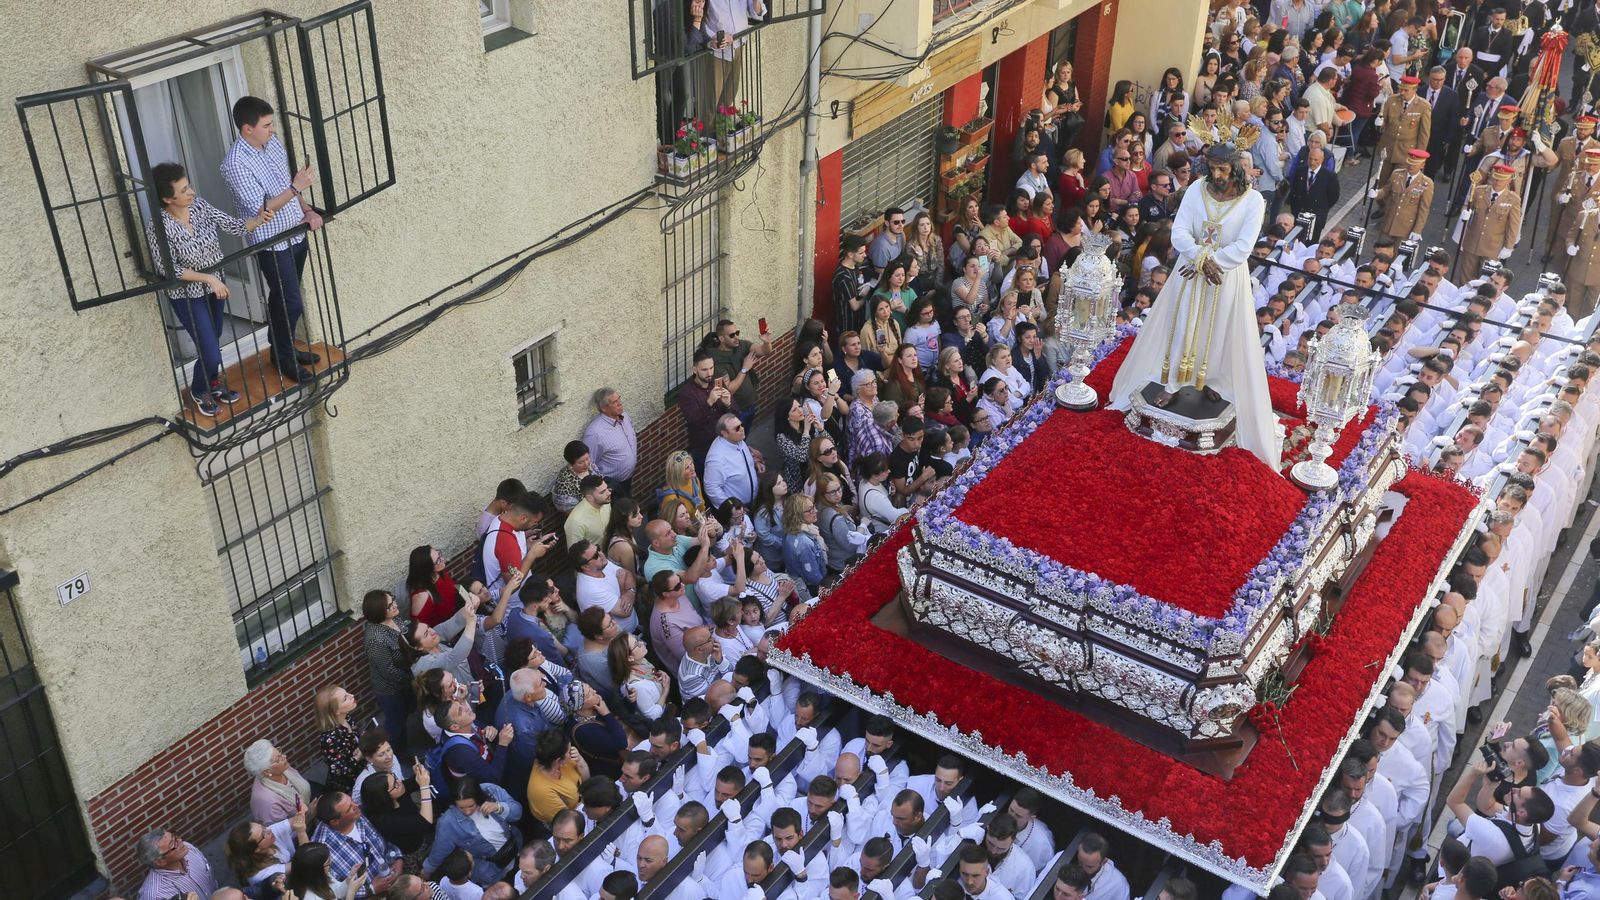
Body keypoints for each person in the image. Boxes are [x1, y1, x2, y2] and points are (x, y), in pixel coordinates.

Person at [1107, 143, 1277, 469]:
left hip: (1226, 279)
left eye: (1222, 169)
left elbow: (1244, 246)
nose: (1216, 175)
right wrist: (1199, 259)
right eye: (1211, 168)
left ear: (1237, 169)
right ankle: (1173, 383)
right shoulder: (1197, 189)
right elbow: (1180, 231)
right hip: (1190, 272)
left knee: (1221, 331)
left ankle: (1212, 381)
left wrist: (1210, 262)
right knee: (1182, 324)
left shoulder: (1253, 200)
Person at [145, 162, 275, 416]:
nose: (191, 192)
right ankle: (199, 389)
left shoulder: (200, 206)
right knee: (210, 349)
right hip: (187, 295)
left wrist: (259, 219)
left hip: (214, 287)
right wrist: (208, 279)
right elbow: (168, 269)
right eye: (183, 191)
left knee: (213, 335)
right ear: (167, 199)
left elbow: (233, 226)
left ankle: (212, 383)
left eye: (189, 186)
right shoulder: (158, 227)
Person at [220, 96, 322, 384]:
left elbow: (288, 184)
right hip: (271, 242)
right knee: (291, 302)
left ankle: (282, 348)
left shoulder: (271, 144)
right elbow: (260, 210)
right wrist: (295, 187)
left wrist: (307, 210)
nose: (272, 130)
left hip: (294, 233)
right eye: (266, 125)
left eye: (271, 123)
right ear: (246, 129)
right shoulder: (235, 164)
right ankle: (284, 359)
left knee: (285, 299)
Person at [423, 777, 521, 886]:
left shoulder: (490, 790)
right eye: (461, 808)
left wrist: (499, 808)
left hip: (517, 851)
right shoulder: (449, 822)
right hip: (492, 872)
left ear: (478, 797)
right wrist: (426, 872)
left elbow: (517, 813)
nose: (467, 811)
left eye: (471, 806)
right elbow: (439, 852)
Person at [311, 792, 404, 895]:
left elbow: (385, 843)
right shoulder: (321, 850)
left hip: (393, 877)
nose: (356, 806)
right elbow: (332, 892)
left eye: (352, 801)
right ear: (335, 822)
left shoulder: (357, 814)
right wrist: (370, 890)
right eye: (349, 808)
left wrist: (398, 859)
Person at [359, 769, 435, 875]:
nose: (399, 782)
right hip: (409, 851)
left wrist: (420, 772)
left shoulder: (398, 791)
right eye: (394, 785)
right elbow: (425, 823)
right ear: (384, 796)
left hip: (419, 836)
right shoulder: (387, 821)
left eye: (394, 777)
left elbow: (412, 783)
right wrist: (425, 787)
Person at [1459, 164, 1523, 277]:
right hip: (1472, 241)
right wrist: (1465, 212)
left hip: (1493, 246)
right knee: (1466, 277)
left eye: (1502, 180)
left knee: (1488, 280)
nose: (1498, 182)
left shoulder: (1513, 199)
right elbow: (1467, 204)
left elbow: (1513, 225)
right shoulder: (1479, 191)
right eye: (1496, 178)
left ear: (1508, 181)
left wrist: (1509, 246)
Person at [679, 351, 734, 468]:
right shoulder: (687, 393)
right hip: (704, 449)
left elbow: (736, 414)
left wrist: (728, 404)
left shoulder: (717, 382)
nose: (709, 373)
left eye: (711, 368)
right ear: (694, 370)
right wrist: (709, 402)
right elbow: (693, 421)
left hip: (725, 442)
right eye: (704, 370)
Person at [582, 387, 638, 497]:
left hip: (628, 479)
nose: (620, 404)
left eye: (619, 399)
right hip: (611, 487)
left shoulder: (624, 416)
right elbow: (589, 464)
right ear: (603, 408)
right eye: (614, 402)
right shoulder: (595, 433)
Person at [136, 829, 219, 900]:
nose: (180, 841)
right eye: (173, 844)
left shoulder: (188, 849)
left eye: (175, 836)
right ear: (160, 861)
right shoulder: (156, 896)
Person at [1370, 149, 1434, 241]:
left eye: (1414, 164)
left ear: (1422, 165)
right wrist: (1377, 193)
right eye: (1409, 163)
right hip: (1389, 223)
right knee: (1380, 251)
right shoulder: (1396, 174)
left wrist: (1417, 230)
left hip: (1405, 228)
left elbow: (1424, 209)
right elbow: (1386, 190)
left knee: (1398, 254)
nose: (1410, 166)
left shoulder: (1426, 184)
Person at [245, 739, 312, 825]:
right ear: (267, 772)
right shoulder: (269, 803)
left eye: (279, 753)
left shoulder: (279, 769)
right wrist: (310, 815)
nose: (284, 756)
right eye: (278, 758)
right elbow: (282, 833)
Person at [315, 685, 364, 797]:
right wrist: (358, 756)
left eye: (347, 693)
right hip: (349, 785)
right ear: (336, 711)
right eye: (345, 698)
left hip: (361, 770)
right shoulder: (330, 739)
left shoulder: (347, 718)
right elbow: (339, 770)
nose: (352, 696)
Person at [1285, 143, 1341, 241]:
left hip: (1316, 217)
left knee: (1311, 242)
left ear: (1322, 160)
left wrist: (1322, 207)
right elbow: (1294, 190)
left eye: (1316, 160)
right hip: (1299, 214)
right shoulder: (1300, 171)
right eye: (1310, 159)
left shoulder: (1330, 176)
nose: (1312, 162)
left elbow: (1334, 196)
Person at [705, 413, 761, 507]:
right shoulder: (716, 459)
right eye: (737, 428)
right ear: (725, 433)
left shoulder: (737, 439)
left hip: (754, 499)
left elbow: (741, 459)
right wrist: (733, 508)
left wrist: (754, 463)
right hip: (741, 509)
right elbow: (712, 489)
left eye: (741, 425)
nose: (742, 429)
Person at [781, 494, 829, 594]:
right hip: (813, 588)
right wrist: (826, 587)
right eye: (810, 510)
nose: (815, 511)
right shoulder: (804, 543)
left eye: (814, 507)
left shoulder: (791, 531)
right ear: (797, 515)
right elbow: (813, 576)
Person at [287, 841, 367, 900]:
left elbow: (338, 892)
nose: (330, 865)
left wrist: (350, 877)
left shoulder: (321, 876)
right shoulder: (309, 897)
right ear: (315, 871)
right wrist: (351, 892)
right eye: (327, 864)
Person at [834, 234, 873, 334]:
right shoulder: (844, 277)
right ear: (850, 254)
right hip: (848, 326)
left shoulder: (854, 267)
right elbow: (854, 306)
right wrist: (866, 297)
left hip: (858, 321)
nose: (865, 255)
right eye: (861, 253)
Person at [869, 207, 908, 272]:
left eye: (903, 221)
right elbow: (880, 273)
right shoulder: (881, 247)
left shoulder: (900, 234)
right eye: (896, 222)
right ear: (887, 223)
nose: (901, 225)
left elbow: (903, 254)